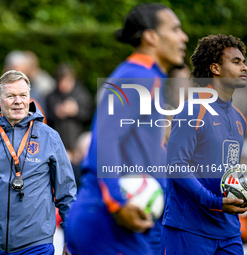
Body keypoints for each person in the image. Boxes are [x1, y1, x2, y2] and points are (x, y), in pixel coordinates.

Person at [65, 3, 188, 255]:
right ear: (151, 37)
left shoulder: (148, 78)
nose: (183, 37)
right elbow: (104, 141)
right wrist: (117, 204)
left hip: (123, 224)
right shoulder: (137, 76)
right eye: (175, 29)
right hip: (109, 221)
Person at [0, 70, 76, 254]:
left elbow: (66, 192)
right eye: (11, 96)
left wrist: (71, 239)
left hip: (36, 244)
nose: (18, 101)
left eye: (23, 95)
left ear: (29, 97)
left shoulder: (49, 137)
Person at [161, 34, 247, 254]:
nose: (244, 66)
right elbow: (176, 167)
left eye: (243, 61)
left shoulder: (239, 118)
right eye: (236, 62)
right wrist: (214, 202)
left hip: (229, 232)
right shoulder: (193, 110)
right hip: (189, 231)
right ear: (215, 68)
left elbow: (230, 173)